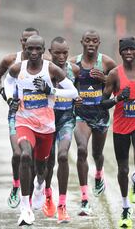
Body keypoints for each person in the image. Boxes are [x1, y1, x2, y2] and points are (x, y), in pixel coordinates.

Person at [4, 35, 78, 226]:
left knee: (41, 169)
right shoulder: (17, 67)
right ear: (25, 49)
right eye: (30, 49)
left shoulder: (50, 69)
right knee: (25, 156)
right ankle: (25, 208)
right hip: (24, 121)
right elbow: (8, 81)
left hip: (46, 126)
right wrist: (10, 97)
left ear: (44, 50)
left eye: (38, 49)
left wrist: (51, 91)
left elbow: (73, 93)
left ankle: (39, 187)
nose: (34, 53)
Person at [100, 36, 135, 228]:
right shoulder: (115, 74)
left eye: (132, 50)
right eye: (125, 50)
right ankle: (125, 207)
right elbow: (102, 104)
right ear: (120, 53)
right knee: (122, 168)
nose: (128, 53)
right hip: (121, 127)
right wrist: (118, 98)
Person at [0, 27, 45, 209]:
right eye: (25, 41)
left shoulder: (45, 63)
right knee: (19, 154)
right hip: (16, 114)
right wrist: (4, 94)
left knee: (33, 160)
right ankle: (16, 185)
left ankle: (28, 199)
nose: (29, 45)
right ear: (21, 41)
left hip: (38, 117)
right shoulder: (10, 60)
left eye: (33, 42)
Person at [69, 29, 116, 216]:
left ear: (99, 43)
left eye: (94, 41)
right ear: (82, 42)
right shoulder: (73, 63)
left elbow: (118, 83)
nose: (91, 43)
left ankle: (98, 173)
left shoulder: (106, 62)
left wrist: (105, 79)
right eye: (87, 40)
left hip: (100, 115)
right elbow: (65, 85)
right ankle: (84, 199)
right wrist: (74, 98)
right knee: (81, 149)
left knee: (97, 154)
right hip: (81, 114)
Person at [43, 36, 80, 223]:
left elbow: (79, 92)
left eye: (65, 52)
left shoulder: (74, 70)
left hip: (66, 119)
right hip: (47, 120)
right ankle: (48, 194)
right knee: (47, 163)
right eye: (57, 53)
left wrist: (79, 100)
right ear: (50, 52)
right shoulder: (44, 70)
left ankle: (62, 205)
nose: (62, 56)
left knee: (63, 156)